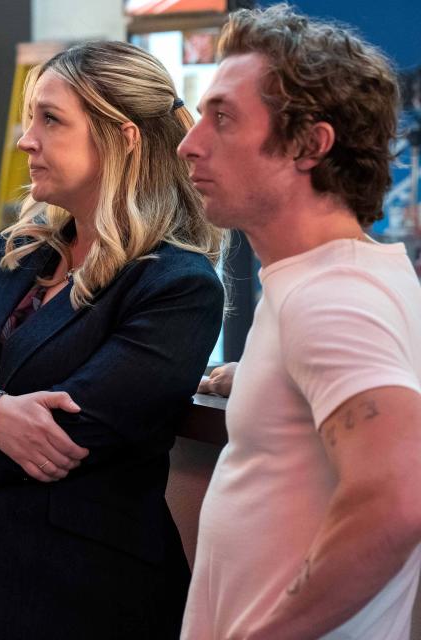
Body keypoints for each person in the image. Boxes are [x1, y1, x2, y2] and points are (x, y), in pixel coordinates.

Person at [0, 41, 226, 640]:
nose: (25, 141)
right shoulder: (18, 253)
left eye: (50, 119)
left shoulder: (177, 284)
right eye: (29, 118)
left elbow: (61, 445)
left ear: (121, 138)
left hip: (83, 599)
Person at [177, 5, 421, 639]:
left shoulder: (334, 295)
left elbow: (398, 501)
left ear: (310, 146)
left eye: (222, 118)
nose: (190, 143)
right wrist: (269, 379)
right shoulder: (326, 280)